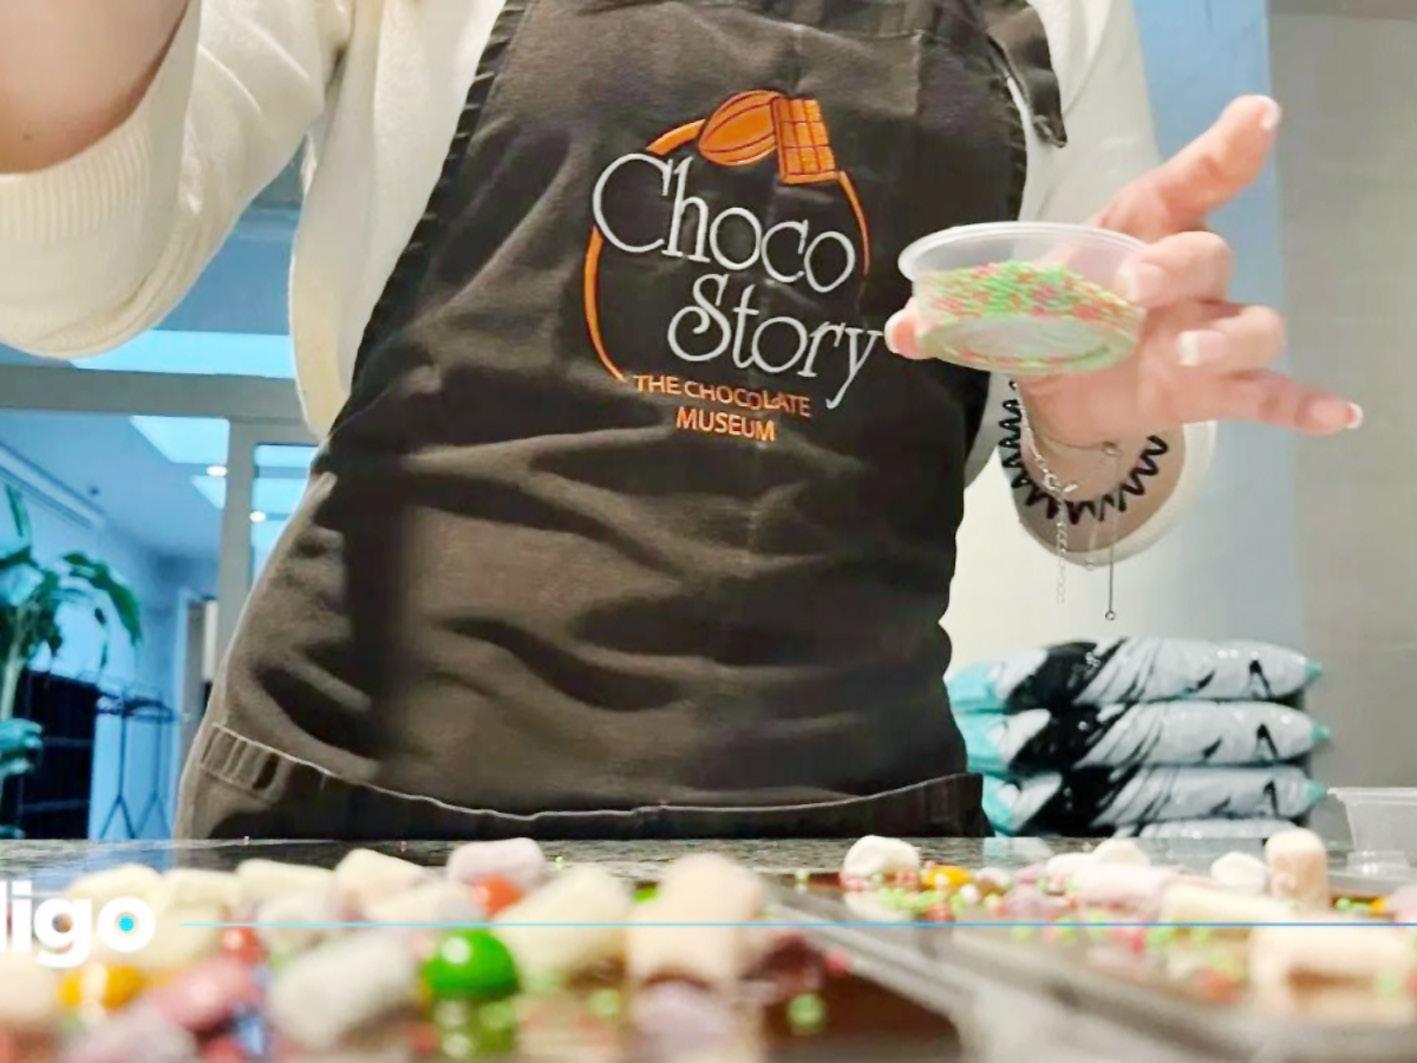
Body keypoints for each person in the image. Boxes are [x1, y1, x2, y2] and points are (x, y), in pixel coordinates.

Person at [0, 0, 1357, 840]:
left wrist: (1081, 410)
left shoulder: (1069, 15)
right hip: (360, 810)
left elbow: (1099, 466)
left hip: (847, 838)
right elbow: (64, 283)